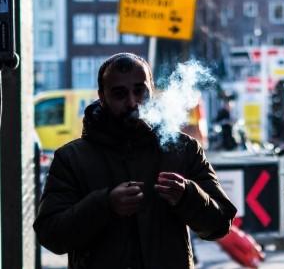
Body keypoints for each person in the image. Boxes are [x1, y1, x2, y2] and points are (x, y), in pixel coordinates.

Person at [34, 53, 237, 268]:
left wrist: (187, 196)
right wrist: (105, 204)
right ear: (102, 97)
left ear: (152, 89)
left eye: (140, 91)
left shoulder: (184, 149)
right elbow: (50, 234)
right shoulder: (71, 159)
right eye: (119, 94)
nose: (132, 102)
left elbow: (220, 223)